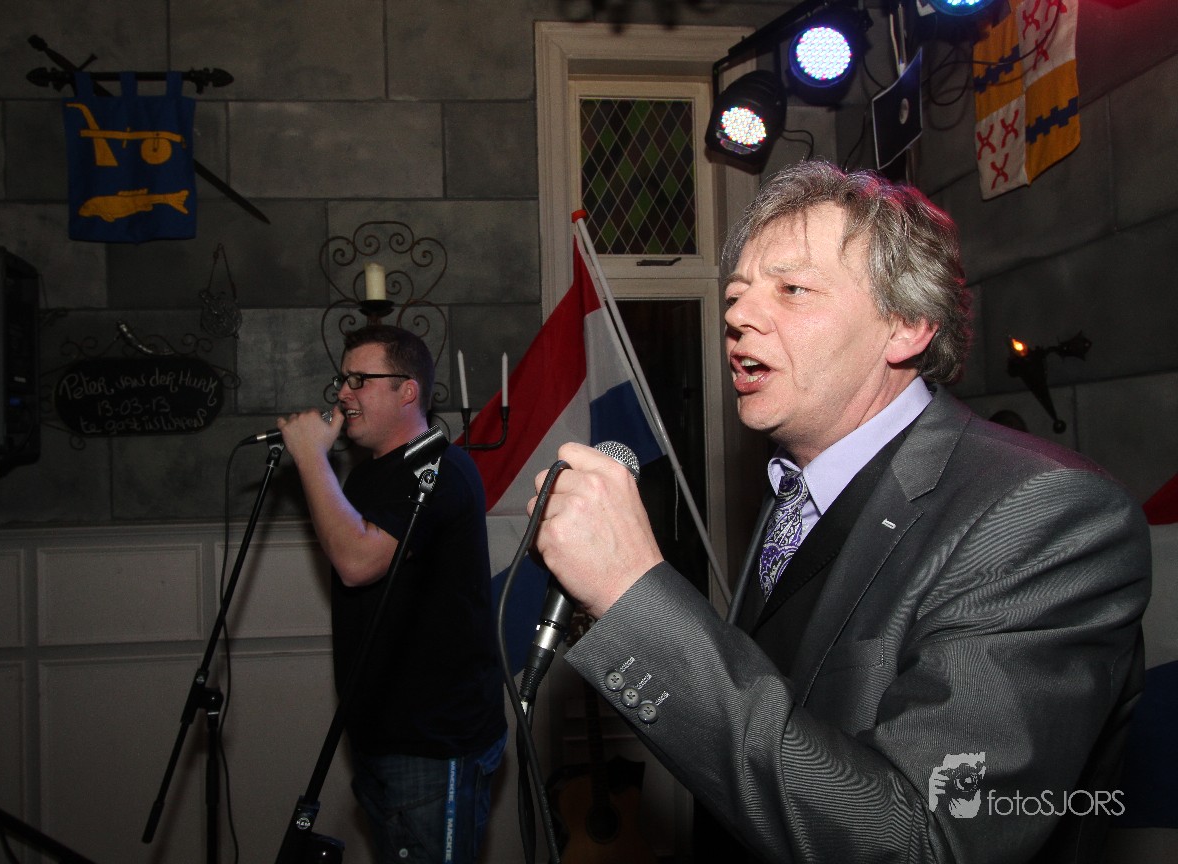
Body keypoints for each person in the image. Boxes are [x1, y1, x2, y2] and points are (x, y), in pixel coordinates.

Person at [530, 161, 1150, 863]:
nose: (736, 316)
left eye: (792, 289)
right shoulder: (797, 486)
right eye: (735, 294)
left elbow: (925, 840)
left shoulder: (1047, 514)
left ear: (907, 325)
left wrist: (631, 591)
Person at [277, 325, 506, 863]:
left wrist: (311, 458)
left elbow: (358, 563)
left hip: (434, 741)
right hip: (379, 733)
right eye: (343, 378)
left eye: (360, 379)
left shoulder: (439, 469)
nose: (343, 393)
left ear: (407, 390)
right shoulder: (365, 479)